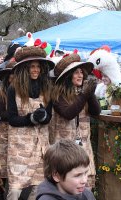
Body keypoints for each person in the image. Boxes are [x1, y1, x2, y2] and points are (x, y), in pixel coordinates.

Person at [7, 45, 54, 200]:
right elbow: (12, 118)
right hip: (20, 146)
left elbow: (49, 117)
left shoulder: (47, 88)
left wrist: (43, 117)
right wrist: (31, 118)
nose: (35, 70)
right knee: (15, 189)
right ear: (25, 69)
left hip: (41, 145)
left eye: (38, 67)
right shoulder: (13, 89)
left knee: (38, 187)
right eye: (32, 66)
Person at [52, 53, 101, 189]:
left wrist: (90, 94)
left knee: (86, 185)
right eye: (76, 72)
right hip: (65, 148)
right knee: (67, 185)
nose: (80, 75)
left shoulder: (84, 92)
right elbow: (69, 113)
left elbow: (96, 112)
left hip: (84, 146)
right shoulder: (57, 94)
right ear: (68, 76)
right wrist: (85, 94)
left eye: (81, 72)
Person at [0, 61, 15, 199]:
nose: (13, 77)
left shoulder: (24, 92)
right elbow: (1, 113)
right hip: (3, 132)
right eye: (11, 75)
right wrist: (17, 115)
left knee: (13, 167)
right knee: (1, 168)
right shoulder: (2, 92)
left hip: (17, 132)